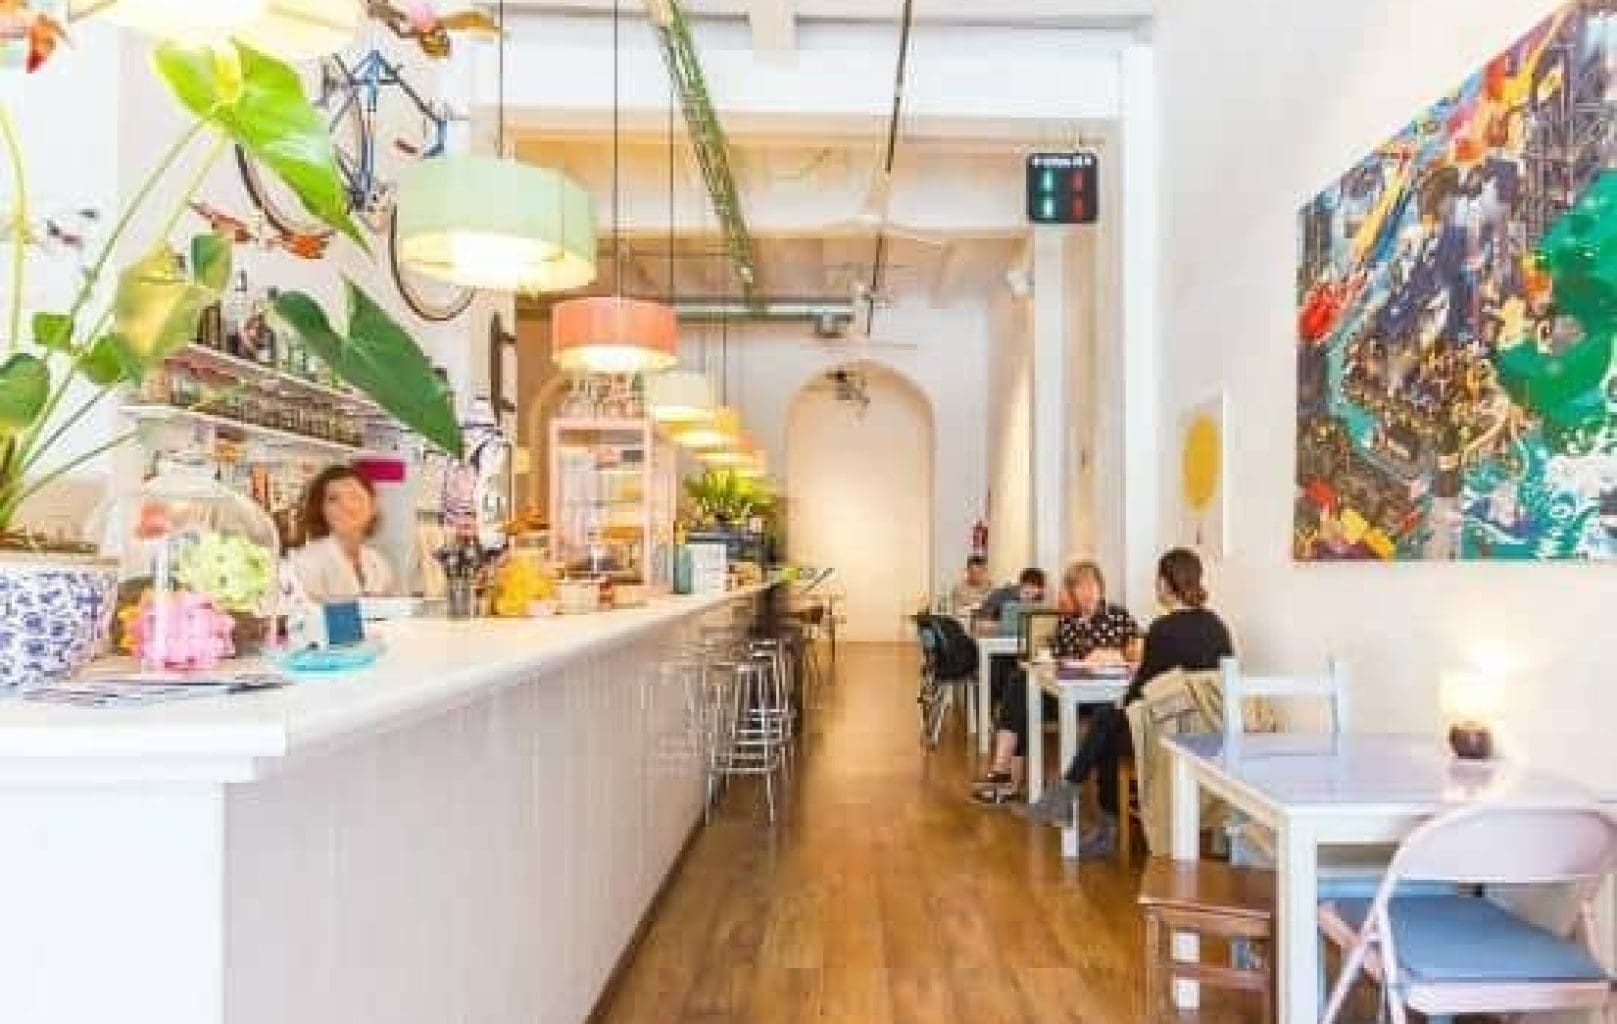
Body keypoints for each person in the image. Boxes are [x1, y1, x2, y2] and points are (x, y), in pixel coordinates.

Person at [1027, 548, 1233, 856]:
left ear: (1165, 584)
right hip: (1210, 731)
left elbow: (1141, 692)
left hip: (1169, 733)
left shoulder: (1163, 630)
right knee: (1107, 723)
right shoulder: (1217, 625)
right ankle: (1070, 799)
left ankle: (1097, 821)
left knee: (1106, 728)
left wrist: (1123, 700)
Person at [972, 561, 1139, 803]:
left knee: (1023, 693)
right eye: (1079, 587)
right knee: (1020, 685)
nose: (1086, 592)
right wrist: (1056, 661)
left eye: (1091, 585)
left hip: (1104, 698)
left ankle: (1008, 781)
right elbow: (1056, 657)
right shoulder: (1068, 621)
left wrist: (1117, 655)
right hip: (1067, 691)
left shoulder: (1118, 616)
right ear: (1072, 591)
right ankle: (1002, 771)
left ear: (1100, 587)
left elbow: (1139, 653)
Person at [290, 465, 397, 602]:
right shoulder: (307, 562)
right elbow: (308, 612)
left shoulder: (379, 563)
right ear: (320, 510)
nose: (346, 505)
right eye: (333, 499)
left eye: (354, 496)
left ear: (373, 506)